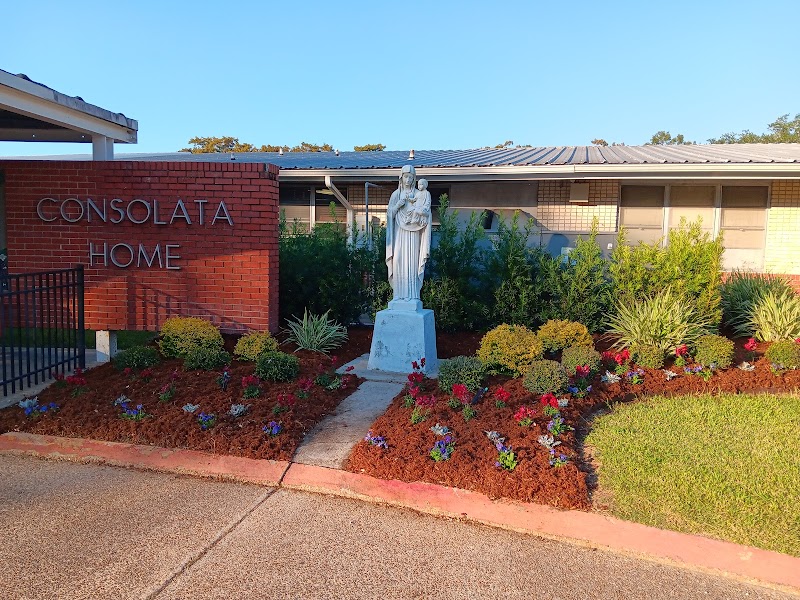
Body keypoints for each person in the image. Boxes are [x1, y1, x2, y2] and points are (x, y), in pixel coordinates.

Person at [386, 165, 432, 302]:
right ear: (401, 178)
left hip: (414, 234)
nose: (408, 180)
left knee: (412, 262)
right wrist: (398, 205)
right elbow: (390, 214)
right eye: (406, 177)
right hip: (399, 234)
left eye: (411, 177)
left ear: (414, 179)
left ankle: (413, 296)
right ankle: (398, 295)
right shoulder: (396, 194)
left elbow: (426, 212)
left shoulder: (420, 194)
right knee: (398, 260)